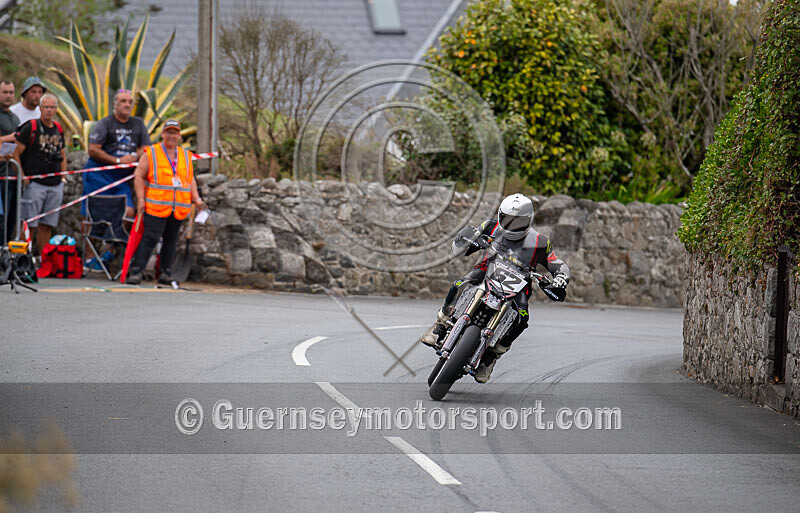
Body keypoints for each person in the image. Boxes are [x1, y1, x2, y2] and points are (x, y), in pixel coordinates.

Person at [418, 193, 571, 383]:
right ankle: (440, 325)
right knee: (459, 284)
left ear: (529, 219)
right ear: (500, 214)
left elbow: (557, 264)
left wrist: (560, 278)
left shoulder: (541, 242)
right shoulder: (491, 226)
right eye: (508, 219)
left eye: (518, 221)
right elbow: (461, 244)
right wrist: (469, 239)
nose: (512, 225)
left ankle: (491, 356)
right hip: (487, 269)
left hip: (519, 284)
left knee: (522, 318)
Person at [126, 120, 205, 286]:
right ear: (163, 134)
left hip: (178, 208)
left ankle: (165, 272)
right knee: (150, 239)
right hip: (157, 205)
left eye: (175, 133)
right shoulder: (152, 153)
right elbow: (139, 176)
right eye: (169, 132)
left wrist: (197, 199)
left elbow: (190, 179)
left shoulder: (185, 155)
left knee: (171, 241)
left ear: (179, 136)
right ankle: (136, 271)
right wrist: (141, 199)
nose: (171, 136)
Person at [81, 88, 151, 219]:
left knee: (128, 212)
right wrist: (118, 161)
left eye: (130, 102)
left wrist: (134, 156)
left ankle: (116, 234)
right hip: (99, 175)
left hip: (122, 179)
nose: (127, 105)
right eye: (123, 101)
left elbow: (146, 147)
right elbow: (93, 149)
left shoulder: (138, 123)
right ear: (115, 104)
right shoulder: (105, 123)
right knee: (92, 215)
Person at [12, 93, 66, 255]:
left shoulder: (58, 128)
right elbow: (16, 153)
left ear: (56, 109)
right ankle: (22, 258)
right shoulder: (31, 127)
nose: (49, 110)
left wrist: (63, 177)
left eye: (52, 107)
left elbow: (62, 154)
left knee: (47, 224)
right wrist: (23, 176)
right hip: (35, 183)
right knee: (29, 224)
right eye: (46, 107)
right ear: (40, 108)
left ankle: (43, 259)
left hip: (55, 183)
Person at [0, 80, 21, 243]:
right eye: (5, 92)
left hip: (12, 174)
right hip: (1, 176)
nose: (8, 96)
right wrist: (8, 138)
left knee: (11, 219)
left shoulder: (14, 118)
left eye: (11, 92)